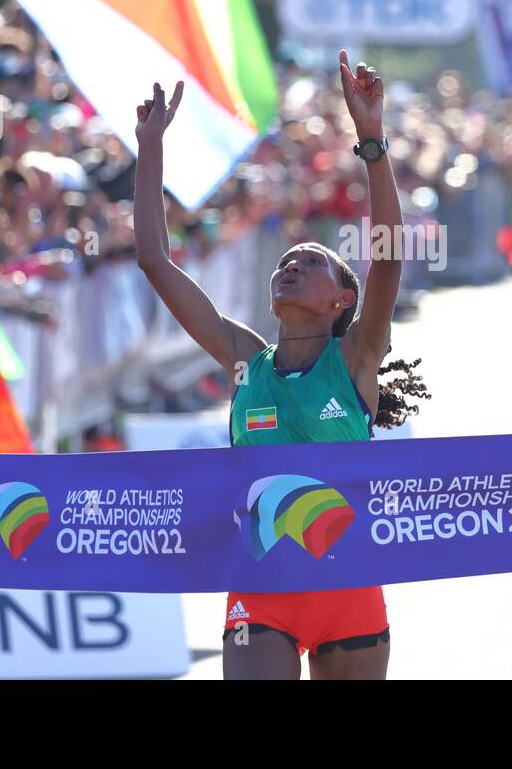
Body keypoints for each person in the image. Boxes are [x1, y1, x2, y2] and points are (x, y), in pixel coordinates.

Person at [132, 51, 429, 680]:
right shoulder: (244, 361)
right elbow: (155, 261)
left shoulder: (356, 358)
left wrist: (371, 141)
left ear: (341, 299)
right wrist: (149, 148)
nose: (291, 265)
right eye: (285, 261)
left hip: (349, 592)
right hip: (261, 590)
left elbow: (391, 251)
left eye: (312, 262)